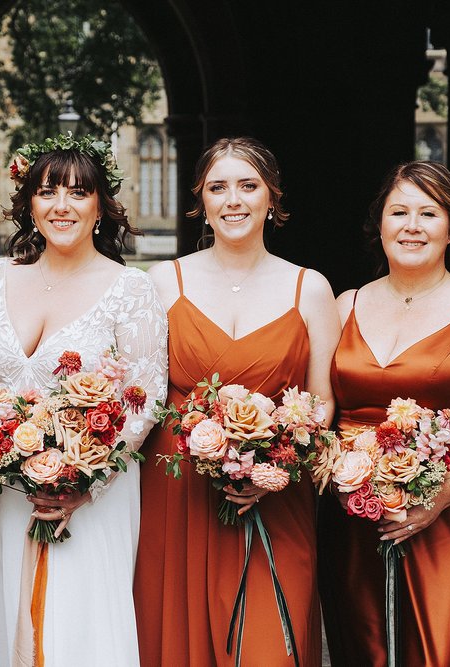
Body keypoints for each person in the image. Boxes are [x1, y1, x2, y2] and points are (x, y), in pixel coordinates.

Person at [0, 134, 168, 666]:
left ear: (101, 206)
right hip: (1, 488)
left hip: (91, 493)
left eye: (78, 192)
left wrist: (81, 482)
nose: (62, 205)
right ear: (30, 204)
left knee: (77, 627)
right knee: (2, 613)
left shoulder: (130, 289)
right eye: (48, 192)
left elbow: (145, 399)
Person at [134, 136, 340, 666]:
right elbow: (143, 395)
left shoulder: (310, 289)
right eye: (218, 187)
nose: (234, 200)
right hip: (177, 493)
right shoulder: (163, 282)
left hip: (276, 497)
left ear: (273, 197)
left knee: (272, 638)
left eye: (248, 186)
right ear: (200, 199)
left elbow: (321, 405)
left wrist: (271, 464)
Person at [317, 161, 450, 666]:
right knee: (362, 652)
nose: (412, 225)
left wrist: (435, 499)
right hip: (356, 525)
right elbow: (320, 409)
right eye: (399, 212)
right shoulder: (344, 305)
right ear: (381, 225)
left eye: (429, 213)